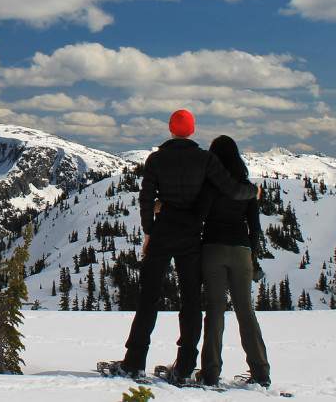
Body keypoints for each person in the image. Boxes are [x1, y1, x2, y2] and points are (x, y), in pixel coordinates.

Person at [105, 110, 259, 383]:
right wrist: (253, 192)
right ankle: (185, 367)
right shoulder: (206, 159)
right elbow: (232, 190)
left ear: (170, 128)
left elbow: (146, 198)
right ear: (193, 130)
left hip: (163, 232)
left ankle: (134, 362)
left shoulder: (156, 159)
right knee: (190, 301)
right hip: (191, 236)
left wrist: (150, 230)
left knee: (149, 297)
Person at [194, 135, 270, 387]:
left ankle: (210, 373)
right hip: (241, 251)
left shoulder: (210, 186)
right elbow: (255, 227)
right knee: (245, 310)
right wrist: (253, 254)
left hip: (213, 248)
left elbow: (199, 219)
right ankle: (260, 371)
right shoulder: (246, 187)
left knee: (215, 310)